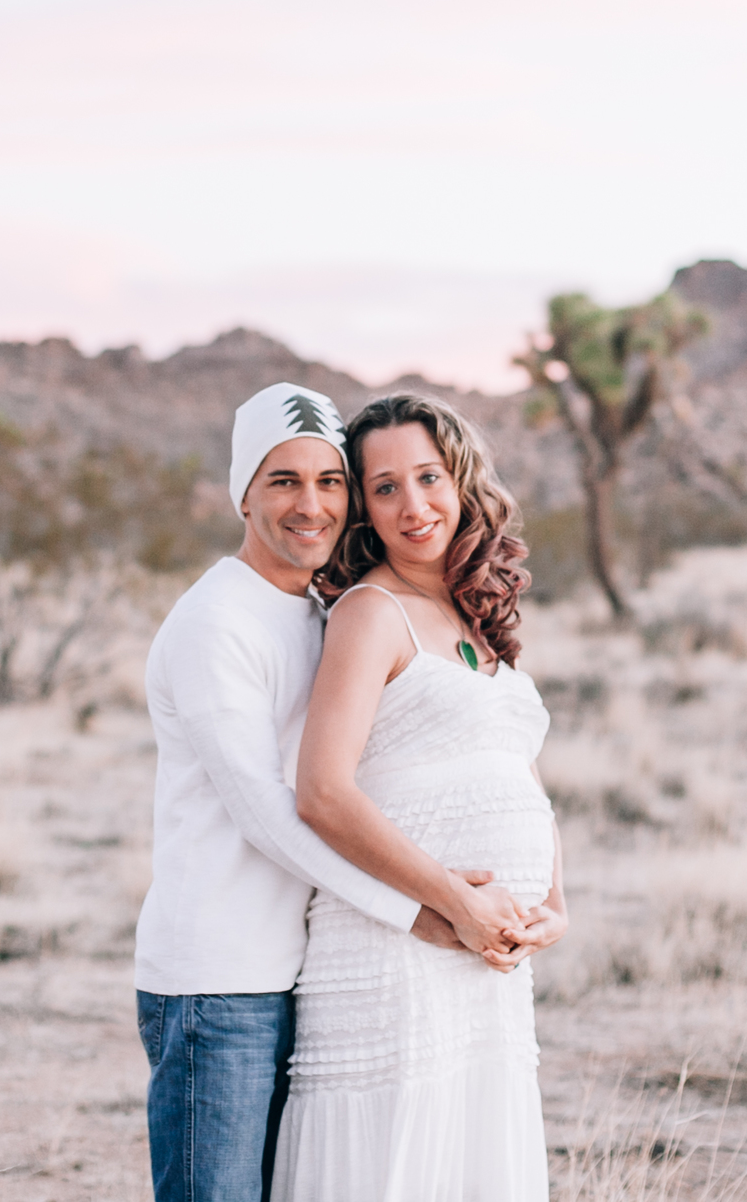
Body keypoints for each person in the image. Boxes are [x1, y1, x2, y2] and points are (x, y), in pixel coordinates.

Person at [136, 383, 531, 1202]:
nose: (309, 503)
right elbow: (276, 812)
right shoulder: (218, 622)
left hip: (301, 963)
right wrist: (428, 907)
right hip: (220, 978)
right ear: (243, 491)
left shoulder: (312, 611)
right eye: (283, 480)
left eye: (329, 481)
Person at [272, 391, 567, 1202]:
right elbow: (322, 791)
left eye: (429, 476)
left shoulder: (475, 612)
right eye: (386, 486)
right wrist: (453, 903)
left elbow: (518, 772)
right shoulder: (371, 611)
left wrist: (553, 904)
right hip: (397, 949)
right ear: (363, 506)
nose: (414, 505)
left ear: (461, 478)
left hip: (488, 956)